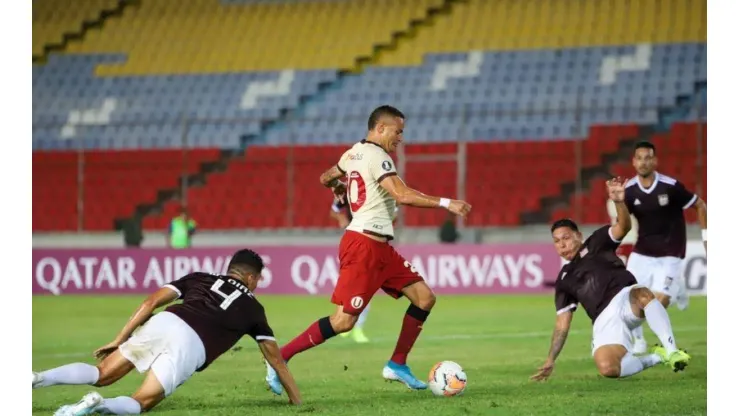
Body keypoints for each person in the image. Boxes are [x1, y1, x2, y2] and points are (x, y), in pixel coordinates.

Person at [265, 105, 472, 393]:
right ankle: (279, 359)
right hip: (363, 245)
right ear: (381, 128)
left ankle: (397, 364)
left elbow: (325, 177)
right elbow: (401, 194)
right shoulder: (377, 156)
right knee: (343, 321)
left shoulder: (352, 153)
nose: (400, 138)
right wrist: (448, 203)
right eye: (398, 131)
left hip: (381, 248)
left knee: (424, 298)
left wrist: (337, 186)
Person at [33, 249, 301, 415]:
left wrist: (120, 339)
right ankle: (95, 406)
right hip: (192, 344)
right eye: (259, 279)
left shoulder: (200, 277)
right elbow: (275, 360)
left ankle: (36, 377)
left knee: (102, 373)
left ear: (231, 269)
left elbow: (150, 302)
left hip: (167, 320)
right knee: (141, 402)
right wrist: (296, 400)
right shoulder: (255, 309)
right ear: (252, 278)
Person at [531, 178, 691, 382]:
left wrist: (618, 202)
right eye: (556, 242)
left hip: (626, 298)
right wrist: (550, 359)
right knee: (608, 369)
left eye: (566, 238)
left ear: (578, 235)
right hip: (603, 319)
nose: (562, 245)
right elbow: (562, 324)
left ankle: (672, 350)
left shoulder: (597, 241)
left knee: (642, 293)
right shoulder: (564, 280)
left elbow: (623, 227)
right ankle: (657, 357)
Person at [621, 141, 707, 354]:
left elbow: (700, 205)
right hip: (642, 251)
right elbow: (623, 223)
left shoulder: (670, 186)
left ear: (655, 161)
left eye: (648, 157)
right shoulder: (628, 191)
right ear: (633, 162)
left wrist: (706, 238)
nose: (643, 162)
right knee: (627, 297)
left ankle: (675, 289)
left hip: (671, 251)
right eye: (639, 158)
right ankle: (639, 340)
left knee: (659, 301)